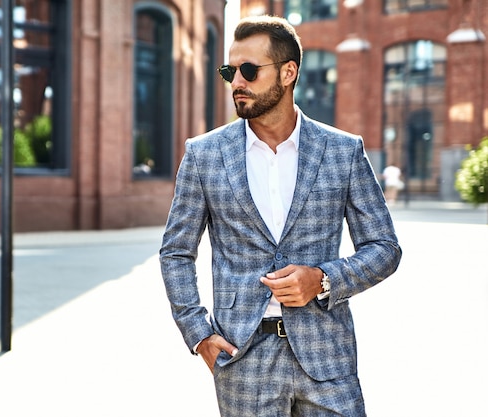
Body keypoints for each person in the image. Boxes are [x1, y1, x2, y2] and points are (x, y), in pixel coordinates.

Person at [159, 15, 402, 417]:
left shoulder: (342, 151)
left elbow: (385, 248)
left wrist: (323, 279)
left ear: (288, 73)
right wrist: (198, 333)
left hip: (328, 359)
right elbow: (176, 252)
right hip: (242, 359)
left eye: (249, 71)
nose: (237, 82)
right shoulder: (203, 155)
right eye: (229, 72)